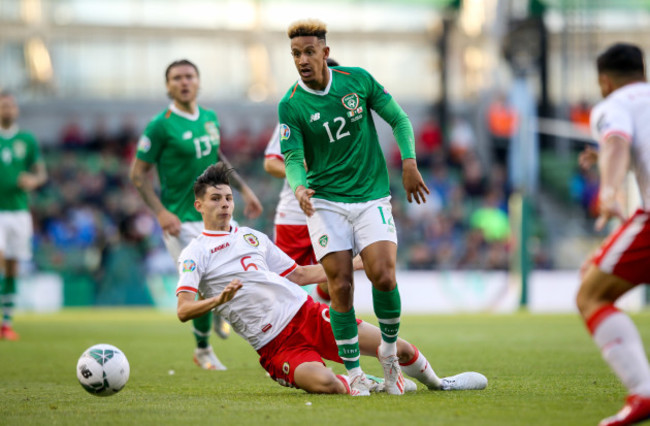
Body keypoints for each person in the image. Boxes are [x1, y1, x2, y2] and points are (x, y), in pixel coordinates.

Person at [175, 163, 487, 395]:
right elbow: (183, 310)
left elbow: (299, 274)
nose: (225, 204)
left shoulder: (252, 237)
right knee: (325, 383)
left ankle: (439, 383)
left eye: (228, 198)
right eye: (215, 199)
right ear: (199, 205)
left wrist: (358, 262)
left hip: (307, 314)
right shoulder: (195, 253)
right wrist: (218, 301)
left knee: (397, 349)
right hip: (275, 345)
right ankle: (372, 383)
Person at [278, 19, 430, 395]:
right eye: (296, 54)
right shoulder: (290, 105)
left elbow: (398, 118)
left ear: (325, 53)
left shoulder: (357, 80)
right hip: (326, 203)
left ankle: (390, 356)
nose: (302, 60)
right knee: (340, 285)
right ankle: (355, 373)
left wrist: (409, 162)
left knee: (384, 275)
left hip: (371, 196)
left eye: (309, 51)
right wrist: (298, 188)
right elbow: (293, 157)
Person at [130, 59, 263, 370]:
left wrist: (245, 191)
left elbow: (217, 157)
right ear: (168, 86)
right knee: (201, 280)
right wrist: (161, 212)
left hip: (216, 214)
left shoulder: (209, 118)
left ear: (198, 81)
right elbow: (138, 174)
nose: (184, 82)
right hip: (180, 220)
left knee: (234, 270)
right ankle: (203, 349)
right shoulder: (160, 126)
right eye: (176, 78)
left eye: (189, 76)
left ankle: (216, 312)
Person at [575, 43, 650, 426]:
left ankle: (642, 392)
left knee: (591, 292)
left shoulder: (612, 106)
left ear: (604, 81)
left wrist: (608, 188)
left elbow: (618, 142)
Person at [263, 57, 340, 305]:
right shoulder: (294, 114)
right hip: (295, 215)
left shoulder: (350, 118)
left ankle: (326, 322)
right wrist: (298, 169)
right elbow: (270, 162)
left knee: (336, 276)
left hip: (334, 211)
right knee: (282, 285)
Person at [0, 92, 47, 340]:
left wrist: (32, 180)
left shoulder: (26, 139)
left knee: (12, 267)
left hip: (19, 211)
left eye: (11, 105)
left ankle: (6, 323)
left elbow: (41, 173)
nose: (8, 109)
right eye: (3, 106)